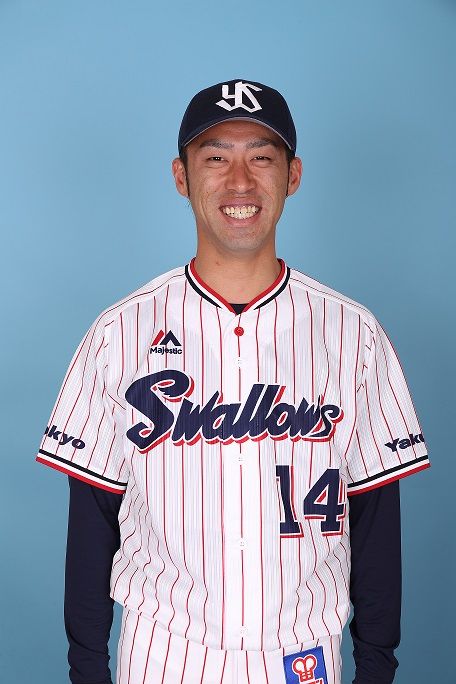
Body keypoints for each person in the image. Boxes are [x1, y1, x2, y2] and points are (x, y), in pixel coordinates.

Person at [37, 79, 430, 684]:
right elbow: (92, 515)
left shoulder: (354, 333)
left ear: (293, 175)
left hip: (303, 651)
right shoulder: (119, 332)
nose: (240, 182)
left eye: (262, 157)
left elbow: (376, 515)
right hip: (164, 652)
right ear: (181, 177)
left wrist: (376, 667)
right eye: (216, 158)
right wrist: (87, 666)